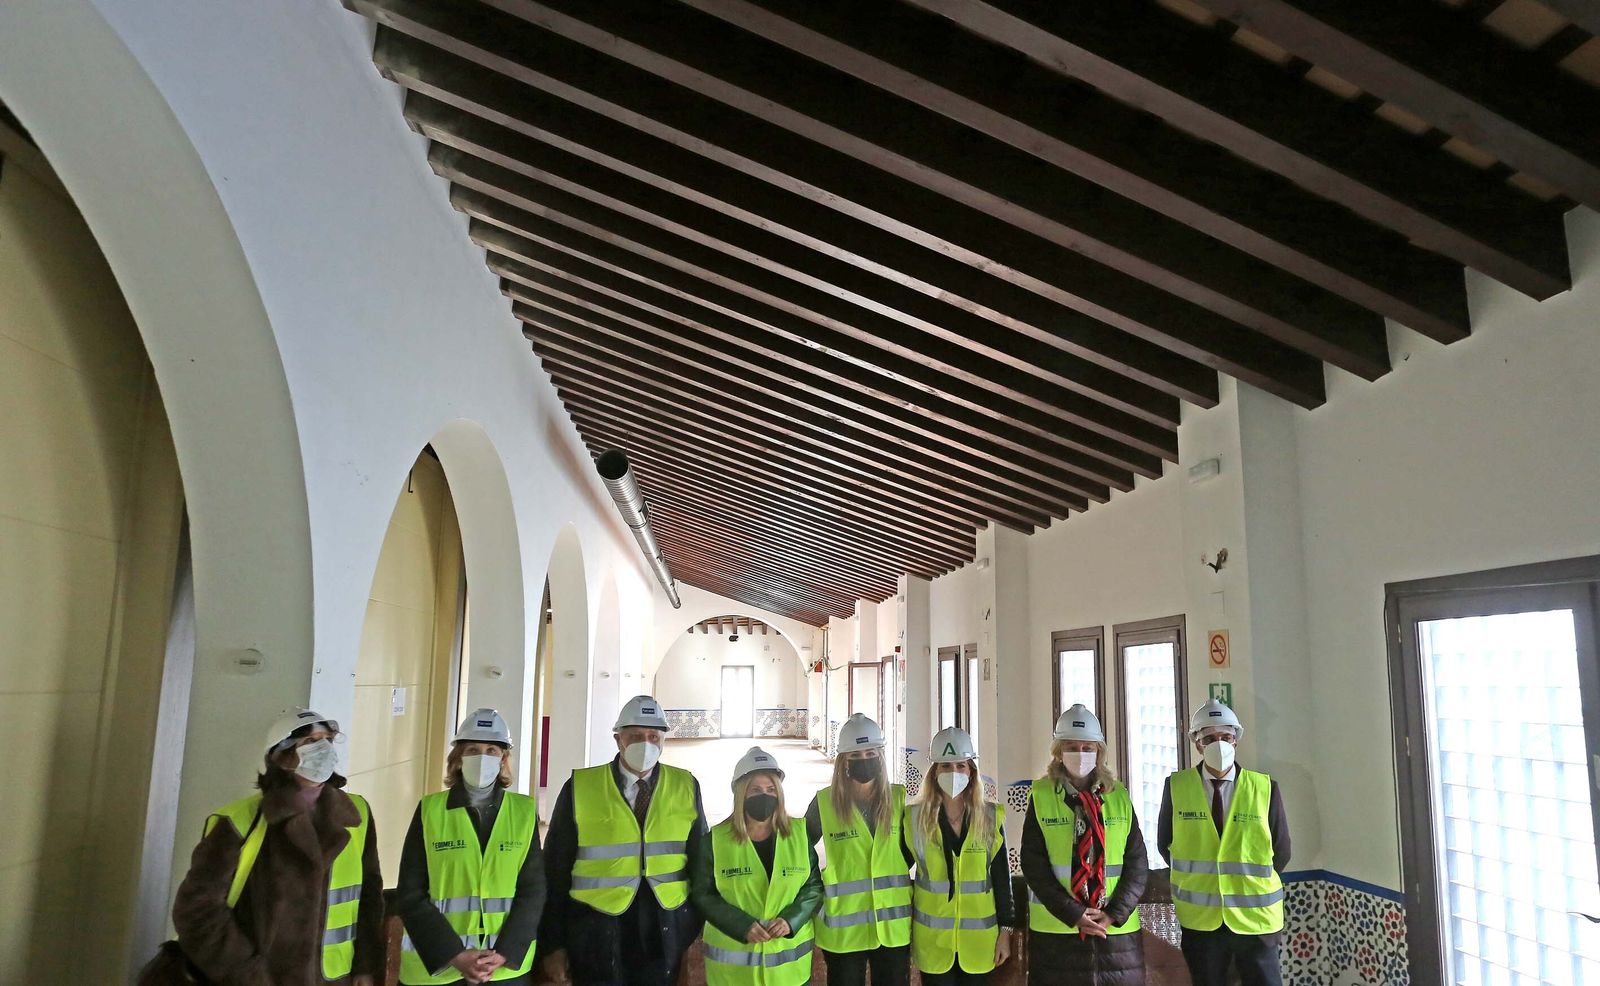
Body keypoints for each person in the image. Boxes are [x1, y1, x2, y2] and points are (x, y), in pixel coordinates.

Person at [171, 707, 384, 986]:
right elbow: (197, 911)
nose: (323, 749)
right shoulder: (239, 821)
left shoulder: (356, 813)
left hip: (334, 978)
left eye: (327, 740)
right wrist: (246, 974)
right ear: (281, 756)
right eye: (309, 742)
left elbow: (369, 895)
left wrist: (365, 967)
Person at [541, 695, 708, 986]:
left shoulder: (686, 785)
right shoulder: (581, 787)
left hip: (663, 921)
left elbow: (702, 860)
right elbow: (554, 868)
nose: (646, 744)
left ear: (663, 740)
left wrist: (690, 924)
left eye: (653, 736)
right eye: (635, 736)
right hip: (595, 924)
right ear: (618, 739)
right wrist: (552, 944)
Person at [395, 708, 545, 984]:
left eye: (491, 750)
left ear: (503, 759)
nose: (482, 757)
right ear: (458, 759)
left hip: (502, 968)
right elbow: (410, 892)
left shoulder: (523, 812)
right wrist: (454, 954)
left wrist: (504, 953)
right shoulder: (431, 810)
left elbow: (533, 890)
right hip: (438, 968)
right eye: (473, 749)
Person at [1158, 699, 1291, 986]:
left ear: (1236, 741)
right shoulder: (1176, 787)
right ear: (1197, 743)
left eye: (1226, 737)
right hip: (1202, 923)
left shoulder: (1264, 787)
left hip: (1256, 923)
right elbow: (1165, 845)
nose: (1219, 744)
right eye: (1209, 738)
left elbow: (1281, 851)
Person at [1021, 704, 1148, 986]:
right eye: (1072, 747)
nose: (1080, 754)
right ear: (1058, 752)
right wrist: (1074, 913)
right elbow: (1034, 865)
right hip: (1058, 935)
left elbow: (1137, 864)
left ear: (1099, 752)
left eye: (1087, 747)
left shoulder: (1119, 796)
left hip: (1116, 935)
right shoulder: (1041, 796)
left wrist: (1114, 914)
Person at [691, 746, 824, 985]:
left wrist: (790, 920)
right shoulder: (715, 840)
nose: (765, 795)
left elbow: (813, 887)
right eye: (756, 790)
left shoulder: (798, 834)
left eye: (771, 789)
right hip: (733, 974)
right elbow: (703, 894)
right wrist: (741, 925)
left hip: (789, 973)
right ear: (741, 793)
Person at [802, 713, 913, 986]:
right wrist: (819, 885)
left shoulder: (899, 800)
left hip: (892, 927)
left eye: (870, 752)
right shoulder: (824, 804)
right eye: (856, 754)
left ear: (881, 756)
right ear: (844, 762)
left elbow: (911, 851)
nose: (864, 759)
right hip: (844, 931)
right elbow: (798, 851)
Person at [905, 727, 1014, 986]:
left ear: (971, 772)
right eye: (945, 766)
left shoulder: (989, 817)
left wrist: (1006, 931)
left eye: (960, 766)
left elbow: (1001, 879)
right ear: (934, 773)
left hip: (979, 943)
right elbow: (896, 873)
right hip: (933, 943)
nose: (953, 773)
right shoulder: (914, 819)